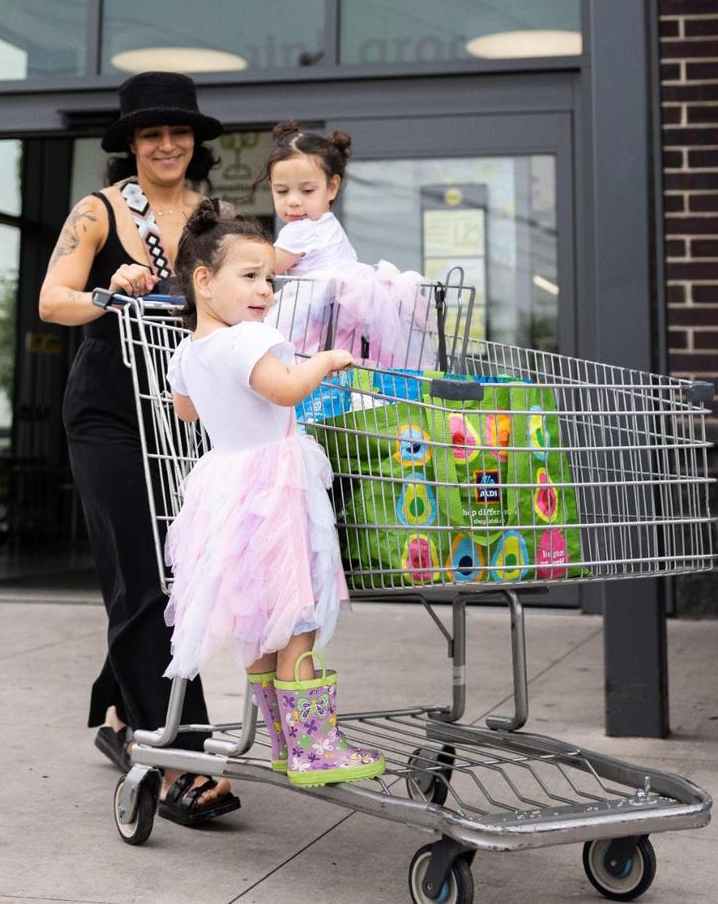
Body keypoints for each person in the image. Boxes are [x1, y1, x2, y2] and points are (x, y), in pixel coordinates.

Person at [38, 71, 240, 828]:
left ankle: (118, 710)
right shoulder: (98, 211)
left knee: (171, 573)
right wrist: (110, 290)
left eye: (178, 131)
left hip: (185, 415)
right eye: (150, 133)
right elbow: (52, 297)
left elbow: (247, 292)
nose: (166, 143)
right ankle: (184, 755)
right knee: (140, 570)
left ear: (195, 141)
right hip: (108, 414)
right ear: (128, 143)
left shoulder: (216, 217)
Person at [163, 200, 385, 788]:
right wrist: (328, 362)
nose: (264, 290)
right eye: (250, 276)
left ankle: (288, 745)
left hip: (228, 487)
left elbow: (186, 412)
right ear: (203, 281)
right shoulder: (250, 341)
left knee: (261, 621)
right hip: (276, 484)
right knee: (299, 614)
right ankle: (317, 751)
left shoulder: (190, 352)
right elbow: (285, 391)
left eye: (269, 279)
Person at [263, 121, 429, 367]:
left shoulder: (298, 231)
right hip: (344, 326)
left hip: (314, 323)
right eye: (282, 191)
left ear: (332, 187)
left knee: (289, 364)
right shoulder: (331, 225)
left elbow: (265, 269)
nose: (294, 201)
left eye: (307, 191)